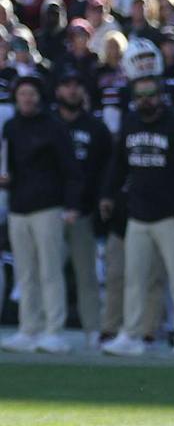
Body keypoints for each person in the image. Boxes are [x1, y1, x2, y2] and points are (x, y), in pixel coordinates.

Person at [99, 74, 174, 357]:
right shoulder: (130, 123)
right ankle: (131, 334)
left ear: (161, 95)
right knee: (133, 278)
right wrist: (108, 195)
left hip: (173, 214)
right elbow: (118, 165)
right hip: (138, 214)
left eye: (150, 94)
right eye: (139, 96)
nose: (144, 100)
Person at [0, 76, 78, 353]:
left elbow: (69, 169)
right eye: (22, 94)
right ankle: (28, 329)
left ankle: (54, 330)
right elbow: (8, 167)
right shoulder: (10, 127)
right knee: (25, 273)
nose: (27, 98)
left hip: (48, 207)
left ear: (39, 96)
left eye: (31, 93)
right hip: (19, 208)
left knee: (50, 271)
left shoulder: (53, 127)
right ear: (16, 97)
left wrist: (71, 206)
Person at [54, 66, 112, 350]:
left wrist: (99, 200)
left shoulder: (96, 128)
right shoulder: (48, 124)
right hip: (49, 211)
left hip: (83, 213)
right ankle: (44, 329)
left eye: (77, 84)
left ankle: (93, 330)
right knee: (48, 274)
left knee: (87, 274)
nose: (72, 89)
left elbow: (105, 170)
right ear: (57, 90)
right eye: (66, 84)